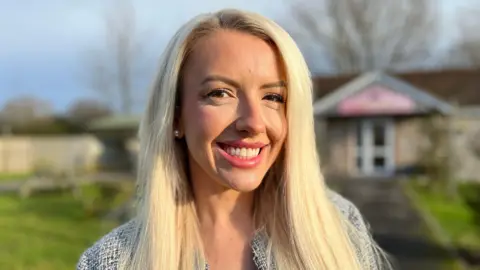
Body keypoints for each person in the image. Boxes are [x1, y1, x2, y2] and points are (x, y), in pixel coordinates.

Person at [76, 8, 391, 270]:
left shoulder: (338, 227)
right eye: (219, 93)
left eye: (273, 97)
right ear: (175, 116)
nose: (253, 122)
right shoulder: (112, 262)